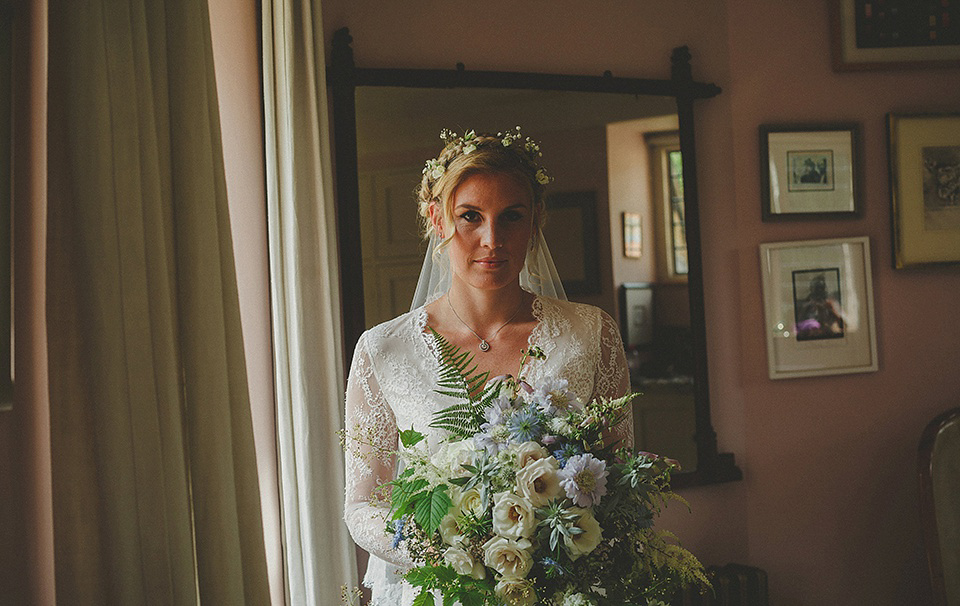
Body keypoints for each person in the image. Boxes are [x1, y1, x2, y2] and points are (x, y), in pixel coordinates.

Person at [342, 127, 633, 605]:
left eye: (511, 216)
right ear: (438, 220)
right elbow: (361, 505)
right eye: (470, 217)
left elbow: (620, 481)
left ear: (536, 221)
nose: (491, 239)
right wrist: (451, 548)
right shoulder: (384, 350)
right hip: (439, 590)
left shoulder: (590, 335)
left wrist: (545, 543)